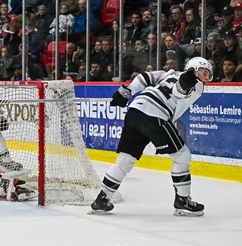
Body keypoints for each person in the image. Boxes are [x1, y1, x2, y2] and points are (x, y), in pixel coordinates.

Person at [91, 57, 213, 216]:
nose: (206, 78)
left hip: (135, 110)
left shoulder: (169, 73)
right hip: (155, 115)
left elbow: (145, 77)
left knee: (126, 159)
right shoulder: (196, 85)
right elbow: (180, 90)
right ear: (194, 70)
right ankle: (182, 200)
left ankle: (102, 199)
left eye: (208, 75)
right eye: (204, 73)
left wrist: (128, 91)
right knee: (182, 155)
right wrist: (184, 83)